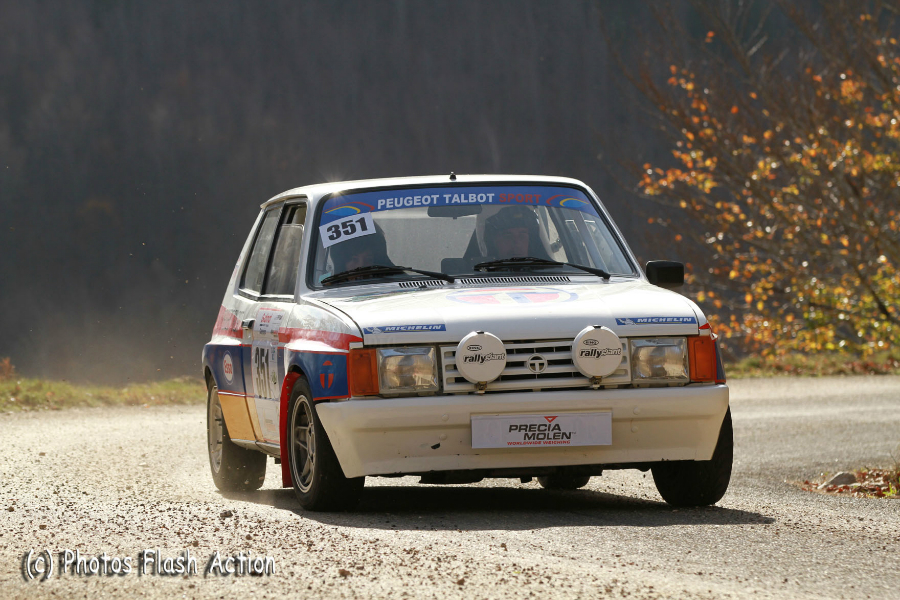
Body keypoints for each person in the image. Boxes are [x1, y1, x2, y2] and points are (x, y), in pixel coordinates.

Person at [482, 205, 549, 259]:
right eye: (508, 236)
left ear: (530, 242)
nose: (517, 243)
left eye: (522, 236)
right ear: (494, 241)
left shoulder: (550, 271)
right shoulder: (477, 273)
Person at [327, 222, 392, 275]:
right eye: (354, 259)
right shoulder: (324, 287)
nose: (361, 266)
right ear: (341, 262)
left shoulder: (392, 284)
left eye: (368, 259)